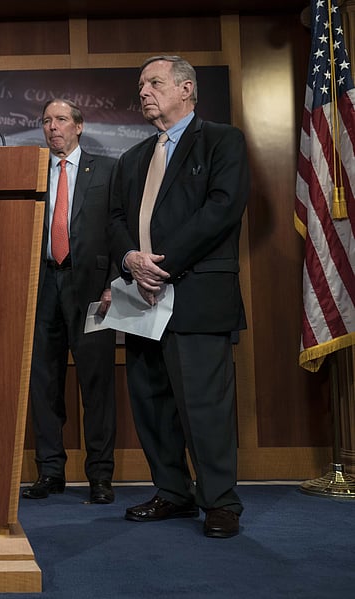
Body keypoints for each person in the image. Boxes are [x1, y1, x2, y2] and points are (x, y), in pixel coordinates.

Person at [108, 55, 249, 538]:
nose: (144, 91)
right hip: (138, 297)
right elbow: (113, 222)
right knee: (150, 402)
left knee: (204, 406)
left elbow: (222, 210)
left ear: (186, 89)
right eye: (141, 84)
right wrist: (130, 259)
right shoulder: (132, 158)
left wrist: (159, 266)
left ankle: (221, 503)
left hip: (194, 293)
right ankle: (173, 492)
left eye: (154, 82)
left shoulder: (222, 141)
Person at [23, 99, 118, 504]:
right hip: (43, 285)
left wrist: (116, 283)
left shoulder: (108, 170)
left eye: (60, 120)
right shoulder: (31, 171)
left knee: (96, 383)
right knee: (43, 382)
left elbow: (121, 228)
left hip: (93, 289)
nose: (52, 127)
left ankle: (100, 476)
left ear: (79, 126)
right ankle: (50, 472)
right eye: (46, 121)